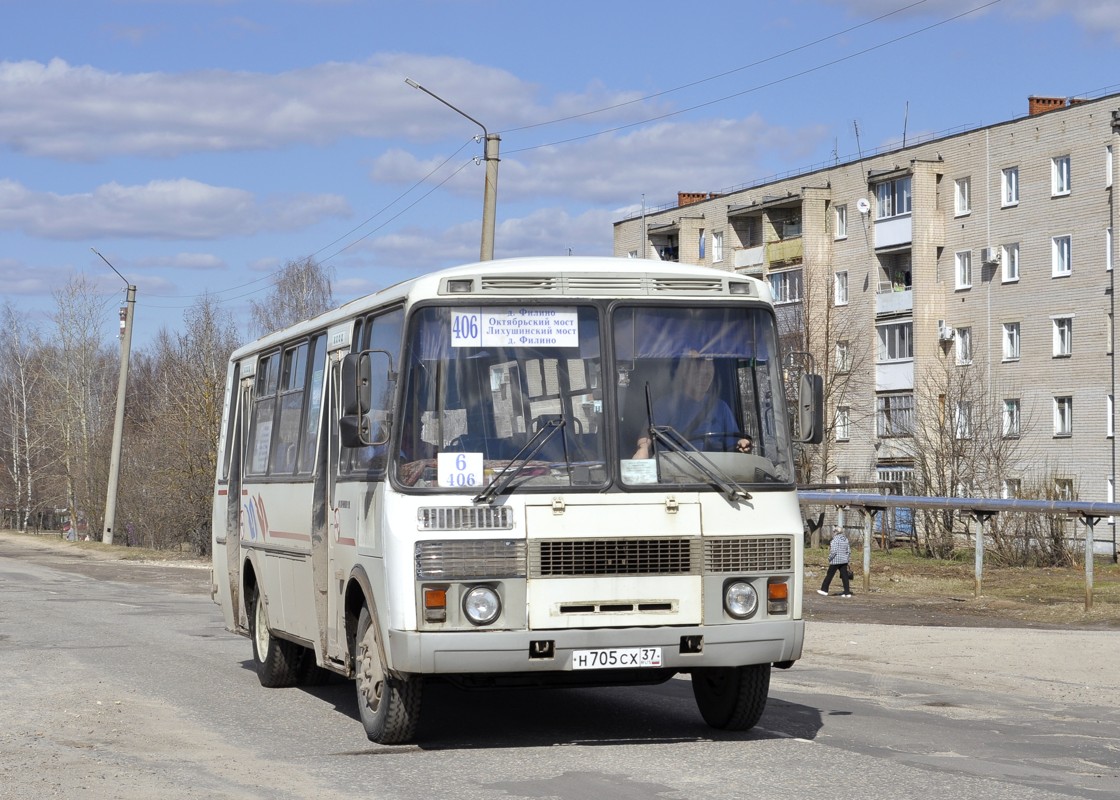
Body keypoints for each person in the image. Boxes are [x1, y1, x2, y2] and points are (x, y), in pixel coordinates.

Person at [632, 350, 752, 458]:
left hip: (716, 474)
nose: (704, 379)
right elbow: (647, 437)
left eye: (707, 375)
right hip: (673, 473)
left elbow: (734, 442)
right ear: (684, 372)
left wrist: (741, 443)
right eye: (698, 375)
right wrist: (643, 450)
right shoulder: (666, 405)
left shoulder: (721, 408)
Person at [818, 527, 852, 597]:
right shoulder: (845, 539)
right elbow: (848, 551)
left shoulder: (835, 540)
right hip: (844, 560)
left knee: (829, 575)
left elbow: (833, 551)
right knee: (845, 576)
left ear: (836, 532)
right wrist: (847, 559)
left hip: (835, 560)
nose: (833, 533)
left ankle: (824, 590)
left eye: (834, 532)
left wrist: (829, 558)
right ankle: (847, 592)